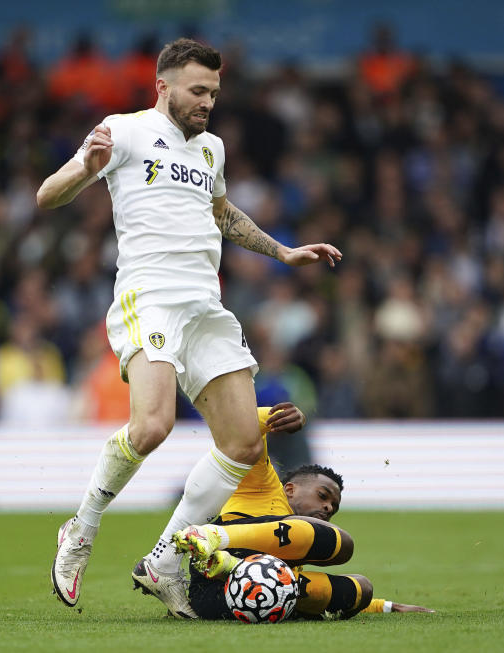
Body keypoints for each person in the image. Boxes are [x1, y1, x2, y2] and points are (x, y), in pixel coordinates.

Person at [36, 37, 342, 618]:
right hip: (148, 297)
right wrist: (85, 170)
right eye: (198, 91)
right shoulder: (121, 130)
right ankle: (80, 529)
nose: (207, 102)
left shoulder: (211, 150)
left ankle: (164, 562)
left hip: (205, 306)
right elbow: (46, 195)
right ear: (164, 86)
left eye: (214, 93)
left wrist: (284, 252)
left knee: (244, 443)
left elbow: (222, 213)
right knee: (151, 426)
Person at [174, 403, 434, 620]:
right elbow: (238, 424)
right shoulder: (262, 484)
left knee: (361, 589)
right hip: (209, 584)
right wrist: (276, 416)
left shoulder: (298, 546)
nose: (328, 507)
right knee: (340, 542)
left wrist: (385, 606)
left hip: (237, 601)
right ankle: (216, 538)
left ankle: (235, 567)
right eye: (323, 496)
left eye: (333, 507)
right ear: (290, 489)